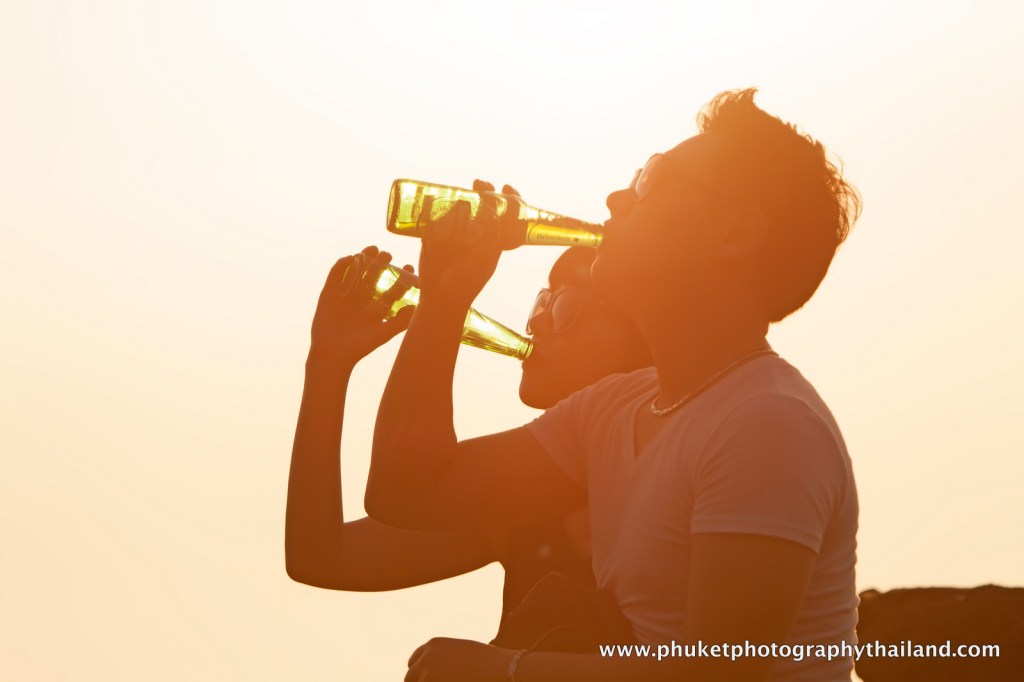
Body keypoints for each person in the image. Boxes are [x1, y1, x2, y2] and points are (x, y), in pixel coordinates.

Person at [367, 88, 862, 681]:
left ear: (734, 235)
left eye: (653, 178)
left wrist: (507, 672)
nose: (617, 197)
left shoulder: (767, 424)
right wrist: (443, 301)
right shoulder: (613, 410)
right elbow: (406, 493)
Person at [285, 243, 650, 625]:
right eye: (542, 302)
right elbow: (319, 557)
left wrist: (507, 668)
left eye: (565, 309)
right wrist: (327, 364)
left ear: (644, 334)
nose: (538, 323)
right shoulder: (524, 498)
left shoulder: (685, 460)